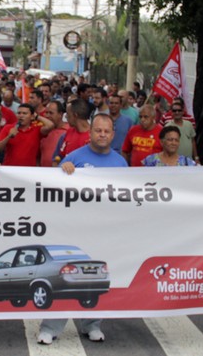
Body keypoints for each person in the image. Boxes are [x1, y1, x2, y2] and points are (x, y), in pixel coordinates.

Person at [38, 114, 127, 345]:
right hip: (74, 231)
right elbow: (54, 189)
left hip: (104, 232)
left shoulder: (121, 163)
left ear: (113, 134)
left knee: (95, 278)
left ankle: (92, 324)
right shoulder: (73, 158)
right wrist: (62, 169)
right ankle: (50, 327)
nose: (102, 135)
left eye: (106, 131)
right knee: (63, 278)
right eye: (98, 130)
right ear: (91, 133)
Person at [40, 100, 68, 167]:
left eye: (51, 113)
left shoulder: (68, 131)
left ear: (60, 114)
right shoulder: (43, 130)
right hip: (42, 173)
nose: (47, 115)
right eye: (46, 112)